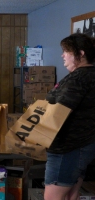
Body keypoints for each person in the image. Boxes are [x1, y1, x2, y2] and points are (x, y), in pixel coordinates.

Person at [44, 33, 95, 200]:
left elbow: (61, 111)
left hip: (68, 149)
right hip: (83, 144)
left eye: (66, 51)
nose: (62, 55)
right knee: (71, 196)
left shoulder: (79, 78)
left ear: (80, 54)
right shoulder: (89, 74)